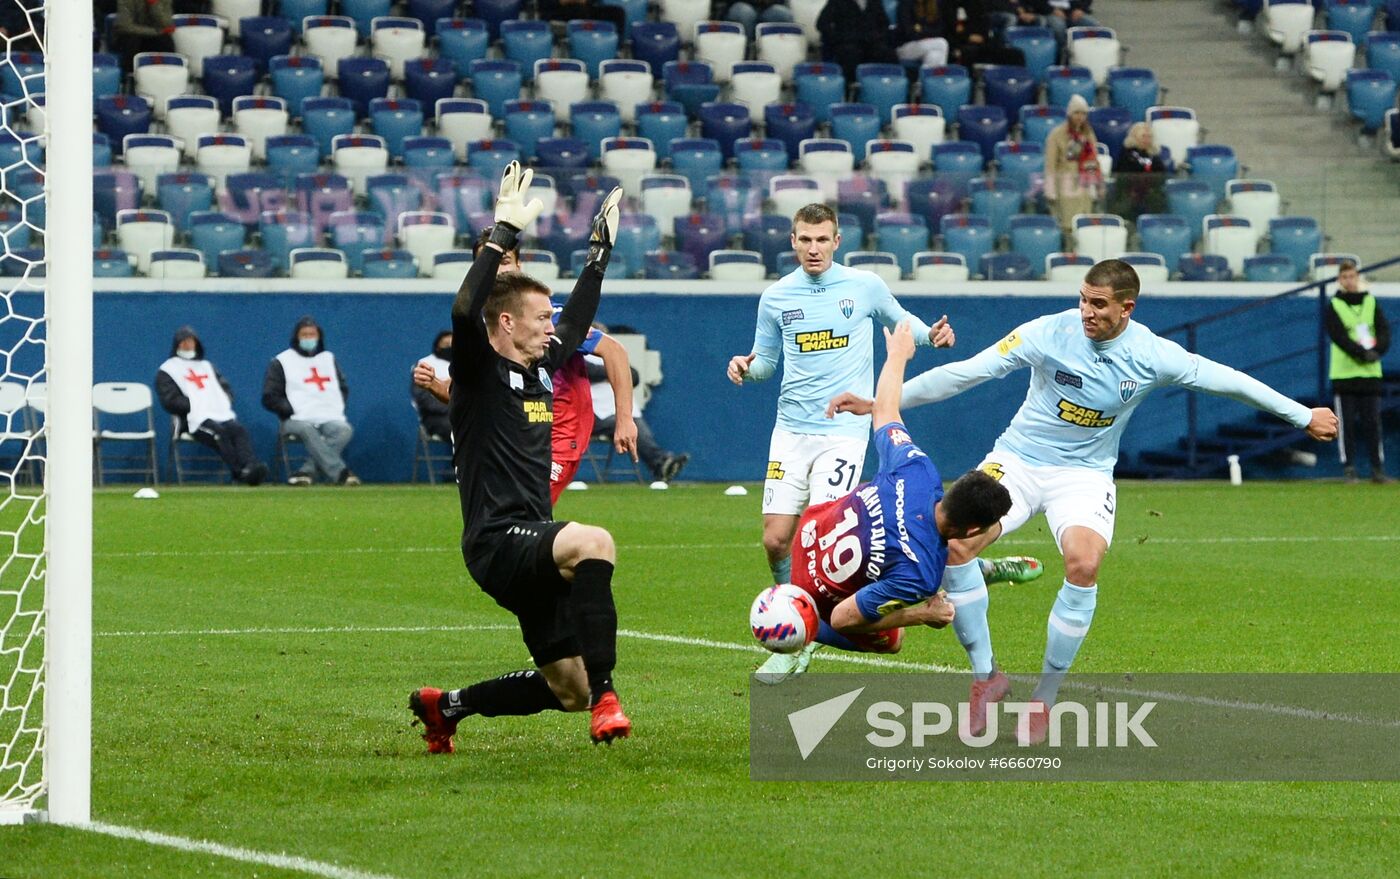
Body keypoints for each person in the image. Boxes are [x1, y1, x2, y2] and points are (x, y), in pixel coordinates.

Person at [828, 259, 1339, 743]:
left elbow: (1228, 381)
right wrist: (883, 402)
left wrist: (1301, 415)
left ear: (1127, 308)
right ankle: (986, 677)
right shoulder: (1048, 332)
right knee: (956, 547)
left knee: (1084, 564)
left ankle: (1044, 699)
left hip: (1085, 475)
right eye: (1082, 300)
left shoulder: (1153, 355)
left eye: (1098, 304)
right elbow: (967, 372)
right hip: (1018, 460)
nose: (1086, 312)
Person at [407, 164, 633, 753]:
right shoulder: (478, 369)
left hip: (529, 542)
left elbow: (577, 321)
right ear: (507, 323)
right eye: (540, 318)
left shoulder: (539, 369)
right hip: (497, 540)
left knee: (567, 689)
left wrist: (598, 259)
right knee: (595, 542)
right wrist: (503, 232)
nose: (551, 327)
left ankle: (446, 706)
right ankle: (609, 698)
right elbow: (464, 311)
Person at [764, 321, 1013, 682]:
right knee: (894, 639)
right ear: (973, 530)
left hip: (809, 534)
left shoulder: (918, 471)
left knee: (894, 564)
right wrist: (923, 614)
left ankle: (974, 569)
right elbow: (842, 618)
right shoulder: (921, 573)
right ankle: (807, 630)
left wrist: (897, 354)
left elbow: (884, 412)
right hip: (819, 598)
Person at [727, 203, 956, 592]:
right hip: (790, 430)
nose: (813, 248)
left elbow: (901, 320)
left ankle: (817, 617)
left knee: (821, 532)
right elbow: (765, 362)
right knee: (775, 540)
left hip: (843, 431)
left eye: (822, 240)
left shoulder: (864, 286)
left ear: (837, 241)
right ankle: (792, 602)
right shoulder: (776, 297)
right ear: (793, 241)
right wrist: (746, 368)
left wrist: (930, 335)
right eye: (805, 240)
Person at [412, 227, 640, 504]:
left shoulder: (548, 318)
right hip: (515, 440)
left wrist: (624, 419)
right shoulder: (487, 330)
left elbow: (614, 351)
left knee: (522, 509)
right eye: (490, 264)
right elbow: (474, 394)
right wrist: (435, 385)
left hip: (558, 435)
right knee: (518, 515)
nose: (498, 271)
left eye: (505, 261)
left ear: (520, 265)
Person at [154, 326, 268, 486]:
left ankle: (250, 466)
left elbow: (224, 388)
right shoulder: (168, 370)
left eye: (190, 341)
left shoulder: (207, 366)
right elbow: (170, 400)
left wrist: (225, 399)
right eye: (183, 342)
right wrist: (196, 404)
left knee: (238, 430)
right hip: (190, 419)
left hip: (217, 414)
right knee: (219, 433)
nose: (187, 345)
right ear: (177, 345)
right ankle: (240, 473)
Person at [261, 316, 359, 486]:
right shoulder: (281, 361)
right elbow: (269, 397)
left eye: (312, 334)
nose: (308, 338)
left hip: (327, 416)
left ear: (319, 337)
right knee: (307, 429)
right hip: (294, 419)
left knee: (344, 430)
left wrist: (333, 405)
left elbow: (341, 388)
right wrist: (290, 409)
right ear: (297, 337)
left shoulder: (328, 359)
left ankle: (306, 472)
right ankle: (340, 473)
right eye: (304, 335)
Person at [1325, 261, 1392, 484]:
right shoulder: (1334, 305)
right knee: (1346, 425)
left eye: (1352, 276)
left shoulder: (1371, 301)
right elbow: (1338, 336)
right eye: (1345, 277)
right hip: (1344, 375)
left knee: (1373, 422)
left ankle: (1377, 469)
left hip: (1370, 374)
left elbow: (1383, 330)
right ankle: (1349, 468)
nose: (1349, 281)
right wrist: (1362, 353)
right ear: (1339, 280)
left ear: (1358, 278)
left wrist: (1377, 351)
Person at [586, 351, 690, 483]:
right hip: (589, 416)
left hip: (614, 410)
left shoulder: (609, 352)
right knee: (618, 423)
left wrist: (615, 373)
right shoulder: (577, 353)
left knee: (634, 424)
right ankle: (661, 462)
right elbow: (588, 370)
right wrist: (615, 372)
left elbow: (634, 376)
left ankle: (661, 463)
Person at [1044, 93, 1101, 233]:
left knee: (1085, 226)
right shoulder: (1057, 134)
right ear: (1070, 114)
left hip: (1085, 185)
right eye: (1077, 113)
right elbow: (1050, 164)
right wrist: (1050, 189)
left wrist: (1097, 184)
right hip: (1065, 185)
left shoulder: (1088, 133)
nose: (1080, 117)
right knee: (1068, 225)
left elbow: (1093, 159)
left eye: (1083, 113)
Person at [817, 0, 898, 83]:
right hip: (848, 42)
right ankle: (851, 86)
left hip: (871, 42)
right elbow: (822, 23)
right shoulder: (837, 2)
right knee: (850, 55)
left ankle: (889, 85)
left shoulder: (874, 2)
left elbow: (884, 24)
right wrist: (838, 38)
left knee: (887, 53)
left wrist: (878, 36)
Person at [1108, 121, 1170, 222]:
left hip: (1150, 193)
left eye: (1149, 137)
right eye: (1143, 136)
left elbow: (1161, 174)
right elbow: (1124, 175)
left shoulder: (1154, 156)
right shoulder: (1126, 154)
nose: (1147, 140)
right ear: (1135, 137)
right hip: (1129, 193)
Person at [412, 330, 453, 442]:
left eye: (453, 344)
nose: (450, 347)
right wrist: (452, 408)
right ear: (437, 347)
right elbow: (424, 399)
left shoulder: (466, 364)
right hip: (436, 418)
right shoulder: (424, 365)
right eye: (446, 344)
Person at [113, 0, 174, 69]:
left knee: (165, 40)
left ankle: (166, 69)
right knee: (132, 40)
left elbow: (166, 24)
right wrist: (156, 32)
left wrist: (154, 4)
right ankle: (129, 73)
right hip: (129, 36)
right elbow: (125, 26)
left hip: (152, 37)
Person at [718, 0, 795, 40]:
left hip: (766, 7)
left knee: (783, 14)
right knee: (746, 13)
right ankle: (746, 51)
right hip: (739, 5)